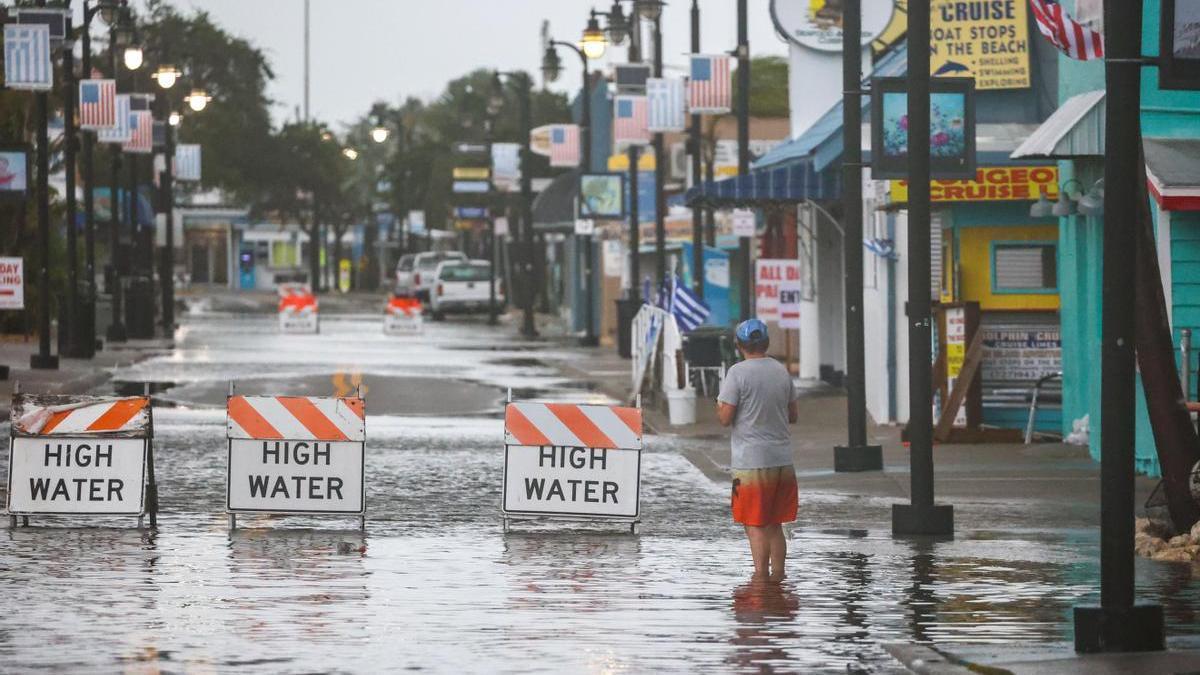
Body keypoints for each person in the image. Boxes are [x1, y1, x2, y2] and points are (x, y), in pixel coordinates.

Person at [717, 318, 799, 582]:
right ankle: (779, 578)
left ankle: (760, 581)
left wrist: (720, 405)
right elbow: (793, 415)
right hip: (782, 460)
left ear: (739, 344)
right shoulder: (780, 371)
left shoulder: (737, 373)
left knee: (755, 525)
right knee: (775, 523)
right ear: (766, 342)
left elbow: (725, 417)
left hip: (751, 461)